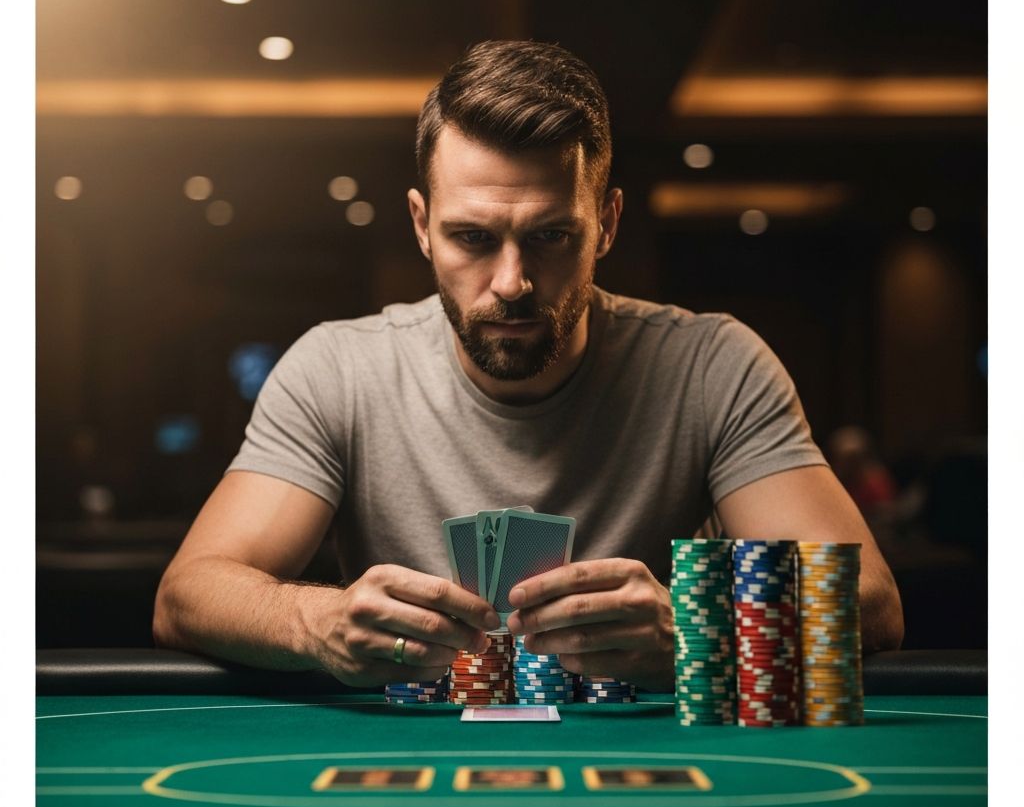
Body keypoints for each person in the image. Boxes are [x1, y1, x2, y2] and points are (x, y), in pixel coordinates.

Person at [153, 40, 903, 691]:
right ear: (421, 226)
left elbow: (871, 600)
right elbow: (188, 594)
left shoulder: (714, 364)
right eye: (473, 239)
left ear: (605, 225)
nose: (511, 282)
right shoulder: (338, 367)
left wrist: (693, 631)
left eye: (549, 237)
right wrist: (318, 621)